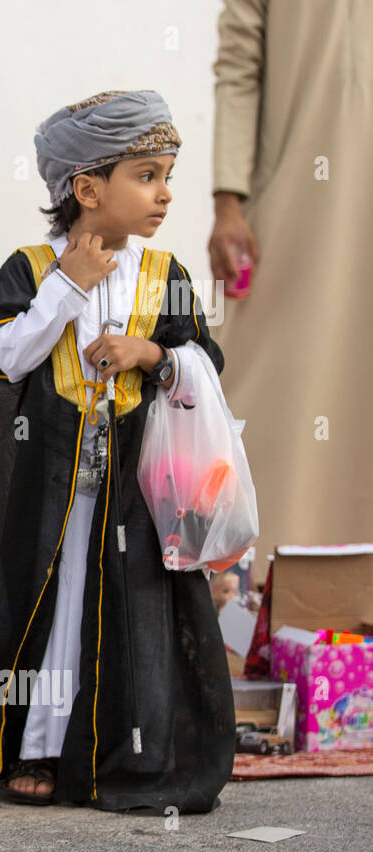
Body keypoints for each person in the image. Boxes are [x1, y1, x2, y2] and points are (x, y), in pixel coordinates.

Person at [0, 91, 235, 811]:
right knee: (53, 615)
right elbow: (4, 358)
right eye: (147, 175)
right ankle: (39, 751)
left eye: (166, 174)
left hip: (136, 491)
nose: (165, 193)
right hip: (58, 492)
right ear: (87, 189)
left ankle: (132, 756)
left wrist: (151, 351)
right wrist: (67, 289)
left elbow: (205, 365)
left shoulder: (166, 276)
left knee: (137, 618)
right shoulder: (32, 269)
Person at [208, 0, 373, 567]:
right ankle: (260, 590)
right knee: (272, 387)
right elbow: (238, 65)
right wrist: (228, 202)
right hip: (297, 196)